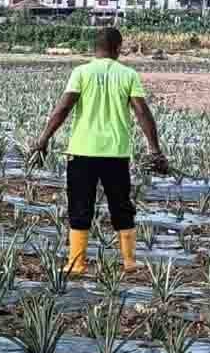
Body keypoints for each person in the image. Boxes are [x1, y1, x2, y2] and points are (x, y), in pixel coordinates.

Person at [31, 27, 168, 274]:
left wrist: (43, 139)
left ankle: (77, 263)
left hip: (82, 152)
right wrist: (155, 150)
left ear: (95, 49)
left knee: (80, 205)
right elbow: (142, 112)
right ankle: (128, 262)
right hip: (115, 153)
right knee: (121, 205)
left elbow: (63, 108)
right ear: (118, 48)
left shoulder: (81, 73)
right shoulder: (127, 74)